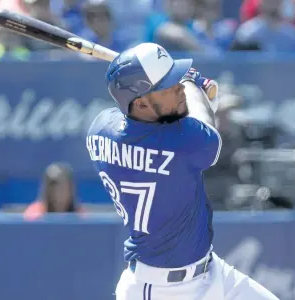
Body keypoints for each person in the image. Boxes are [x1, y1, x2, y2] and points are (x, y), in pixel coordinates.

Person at [86, 42, 279, 300]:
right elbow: (205, 125)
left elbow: (135, 118)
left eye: (176, 81)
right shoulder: (183, 142)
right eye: (169, 86)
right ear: (141, 103)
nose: (178, 88)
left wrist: (175, 83)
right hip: (162, 290)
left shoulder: (100, 128)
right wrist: (193, 84)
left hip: (210, 271)